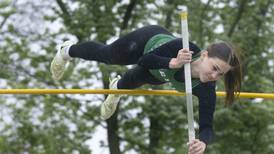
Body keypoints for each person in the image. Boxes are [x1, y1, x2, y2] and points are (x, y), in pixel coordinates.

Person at [50, 25, 241, 154]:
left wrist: (203, 143)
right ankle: (66, 51)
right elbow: (144, 60)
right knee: (108, 56)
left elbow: (207, 126)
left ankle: (115, 89)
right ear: (205, 55)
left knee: (128, 84)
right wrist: (172, 62)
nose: (214, 76)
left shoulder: (206, 88)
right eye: (215, 68)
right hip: (146, 43)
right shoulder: (184, 48)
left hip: (158, 74)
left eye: (220, 74)